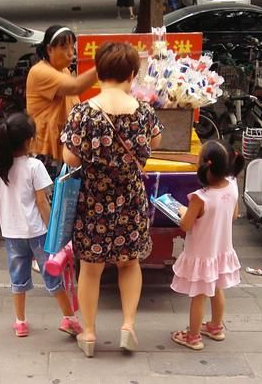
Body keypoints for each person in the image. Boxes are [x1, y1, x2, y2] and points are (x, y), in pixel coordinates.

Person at [61, 42, 163, 357]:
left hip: (94, 200)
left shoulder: (83, 112)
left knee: (90, 269)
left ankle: (89, 334)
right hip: (131, 199)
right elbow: (156, 141)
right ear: (131, 74)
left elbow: (70, 158)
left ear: (99, 73)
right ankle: (128, 325)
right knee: (129, 263)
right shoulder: (144, 112)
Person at [0, 112, 82, 338]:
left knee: (17, 278)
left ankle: (20, 322)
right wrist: (53, 232)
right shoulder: (34, 166)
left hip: (11, 233)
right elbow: (42, 202)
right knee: (52, 275)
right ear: (28, 140)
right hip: (38, 232)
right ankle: (69, 318)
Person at [170, 141, 244, 350]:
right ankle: (215, 326)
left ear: (205, 166)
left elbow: (185, 225)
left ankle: (192, 337)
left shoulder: (200, 198)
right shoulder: (232, 185)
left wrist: (182, 211)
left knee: (199, 296)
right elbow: (235, 214)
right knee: (217, 288)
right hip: (221, 251)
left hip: (201, 254)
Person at [26, 25, 98, 175]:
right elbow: (76, 87)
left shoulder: (63, 70)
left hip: (62, 147)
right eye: (65, 48)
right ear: (49, 49)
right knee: (47, 196)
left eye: (72, 48)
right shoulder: (40, 71)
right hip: (44, 150)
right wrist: (103, 65)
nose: (70, 53)